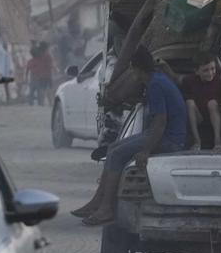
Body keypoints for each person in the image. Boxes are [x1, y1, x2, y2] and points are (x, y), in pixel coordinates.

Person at [74, 47, 187, 226]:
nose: (132, 73)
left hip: (170, 140)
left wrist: (145, 150)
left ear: (137, 68)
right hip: (164, 135)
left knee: (116, 154)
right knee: (112, 149)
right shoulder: (156, 80)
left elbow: (160, 122)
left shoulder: (155, 84)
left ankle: (106, 209)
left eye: (132, 69)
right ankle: (98, 203)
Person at [180, 51, 221, 151]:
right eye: (205, 70)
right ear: (197, 71)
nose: (210, 73)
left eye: (213, 69)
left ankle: (218, 141)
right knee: (189, 102)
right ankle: (197, 141)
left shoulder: (220, 82)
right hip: (198, 117)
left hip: (215, 116)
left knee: (212, 103)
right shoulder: (189, 81)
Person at [25, 41, 55, 106]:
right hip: (47, 75)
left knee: (41, 90)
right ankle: (49, 103)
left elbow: (28, 69)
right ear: (46, 48)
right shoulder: (47, 56)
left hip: (40, 76)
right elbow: (50, 65)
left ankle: (41, 103)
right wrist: (55, 69)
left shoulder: (38, 56)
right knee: (48, 89)